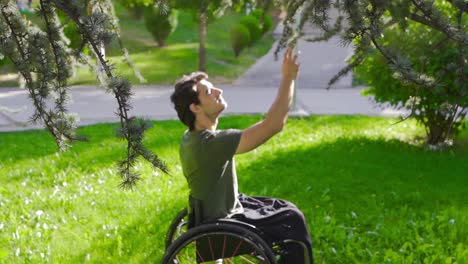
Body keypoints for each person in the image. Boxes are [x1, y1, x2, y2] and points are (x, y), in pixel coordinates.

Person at [170, 46, 313, 263]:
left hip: (211, 215)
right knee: (292, 219)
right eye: (209, 92)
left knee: (284, 208)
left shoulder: (190, 138)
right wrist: (288, 78)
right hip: (223, 224)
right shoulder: (211, 144)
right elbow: (273, 125)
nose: (219, 91)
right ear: (195, 108)